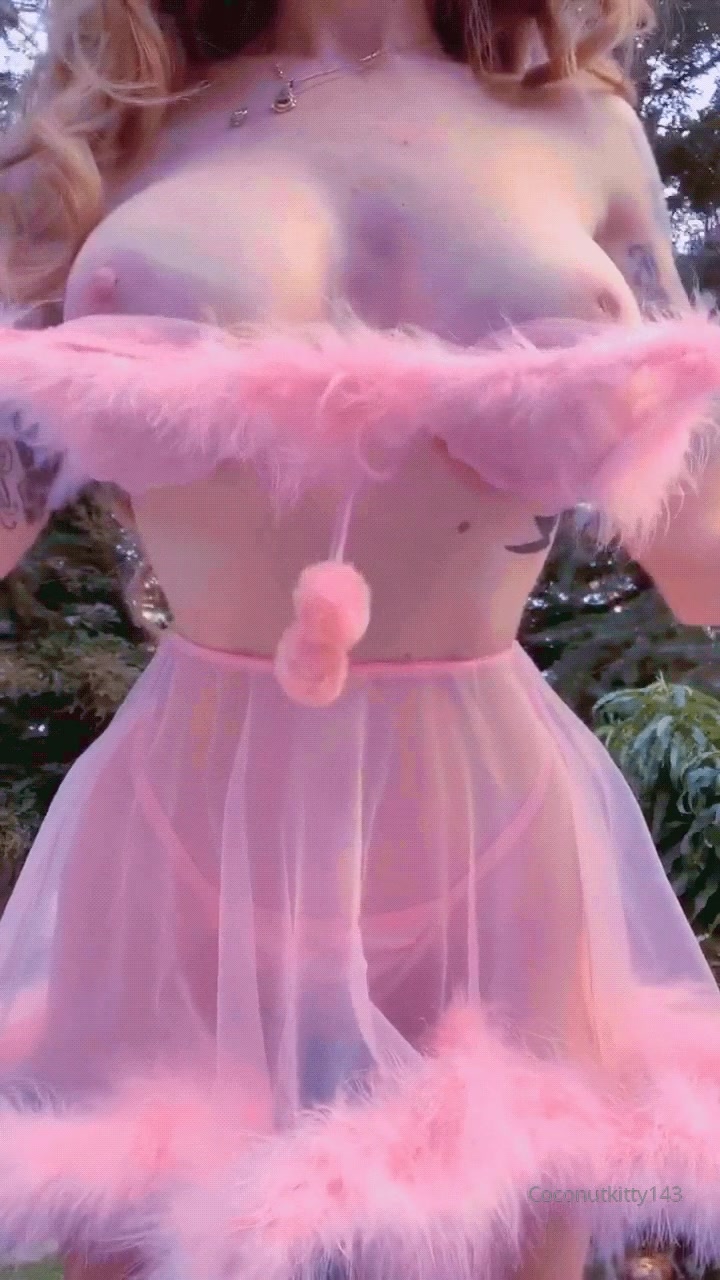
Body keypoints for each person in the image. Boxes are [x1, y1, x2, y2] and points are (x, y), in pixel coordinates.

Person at [2, 0, 720, 1277]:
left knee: (510, 1231)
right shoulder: (102, 132)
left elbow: (700, 545)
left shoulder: (586, 126)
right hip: (178, 832)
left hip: (498, 835)